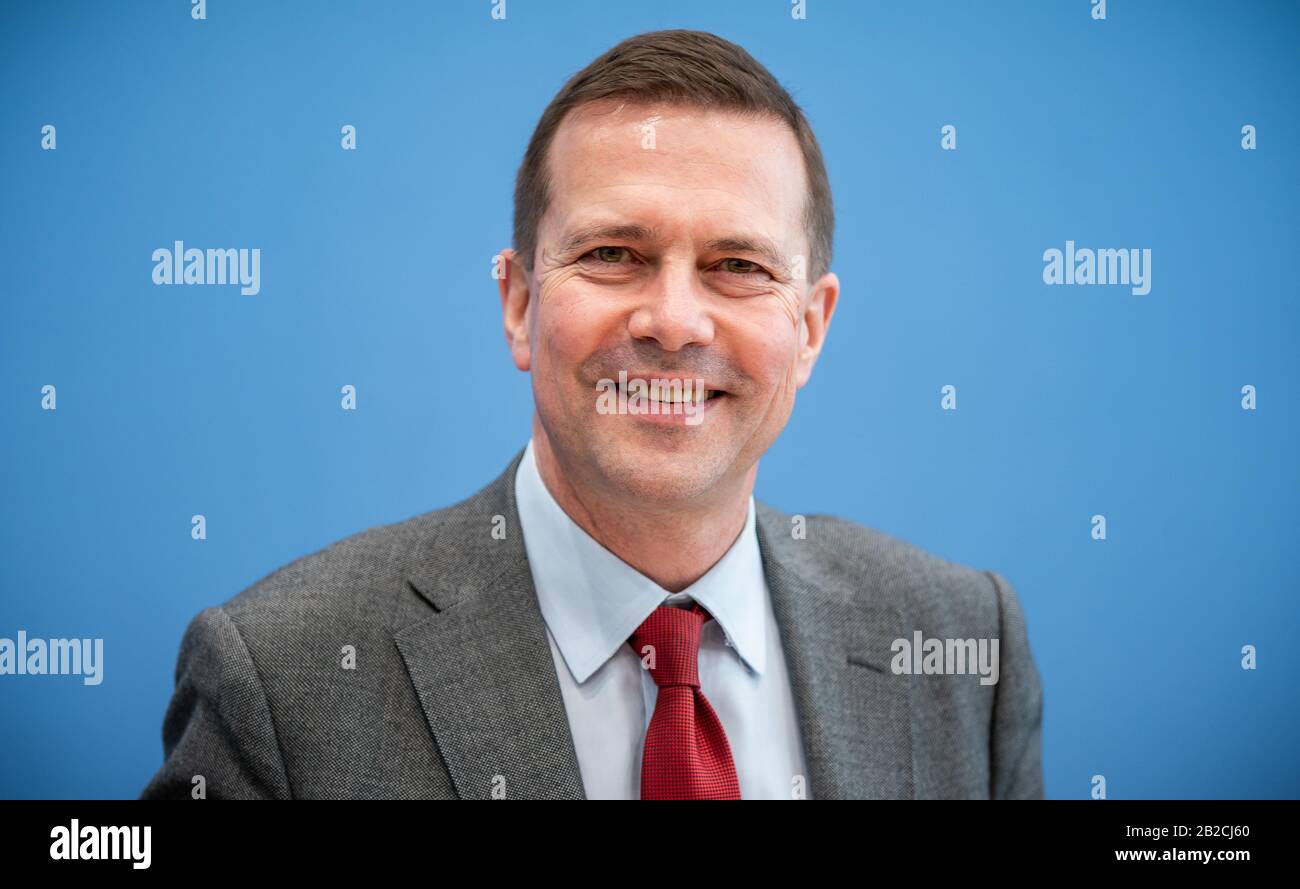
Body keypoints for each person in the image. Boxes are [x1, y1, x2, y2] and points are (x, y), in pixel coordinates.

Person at [141, 28, 1043, 800]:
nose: (674, 323)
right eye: (614, 253)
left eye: (740, 266)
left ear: (810, 329)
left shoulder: (962, 646)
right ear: (518, 305)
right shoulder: (281, 678)